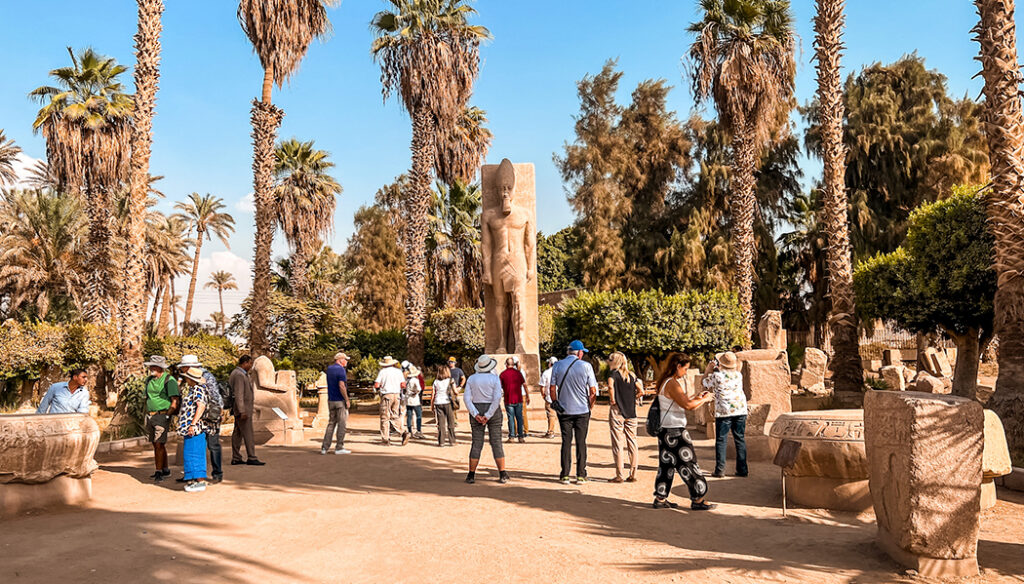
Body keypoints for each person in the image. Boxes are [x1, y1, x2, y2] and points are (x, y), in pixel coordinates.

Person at [652, 353, 716, 511]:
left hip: (665, 430)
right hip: (675, 430)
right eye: (685, 368)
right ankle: (698, 498)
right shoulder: (672, 383)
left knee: (666, 464)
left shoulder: (665, 382)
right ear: (677, 366)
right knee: (689, 463)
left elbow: (681, 402)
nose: (686, 372)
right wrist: (705, 399)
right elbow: (688, 406)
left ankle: (660, 498)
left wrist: (697, 397)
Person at [549, 340, 598, 484]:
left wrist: (555, 401)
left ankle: (565, 474)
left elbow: (552, 388)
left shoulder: (557, 365)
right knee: (581, 442)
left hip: (564, 410)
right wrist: (590, 405)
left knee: (566, 442)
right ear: (579, 353)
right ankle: (581, 474)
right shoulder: (586, 366)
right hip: (582, 410)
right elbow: (593, 390)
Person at [177, 355, 224, 483]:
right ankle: (192, 475)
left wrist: (218, 412)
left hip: (208, 417)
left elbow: (214, 397)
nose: (183, 370)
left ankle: (216, 473)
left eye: (184, 367)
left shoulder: (205, 378)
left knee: (211, 444)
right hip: (199, 418)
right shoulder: (189, 380)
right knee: (197, 448)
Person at [464, 355, 509, 484]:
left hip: (476, 407)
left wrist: (475, 413)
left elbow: (467, 398)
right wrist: (488, 415)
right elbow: (497, 398)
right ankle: (502, 473)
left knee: (476, 442)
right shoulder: (494, 379)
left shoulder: (471, 379)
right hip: (493, 410)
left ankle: (471, 474)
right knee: (496, 441)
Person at [703, 351, 748, 478]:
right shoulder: (738, 375)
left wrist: (708, 369)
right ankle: (742, 469)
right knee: (739, 439)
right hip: (740, 409)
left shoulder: (716, 376)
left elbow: (704, 383)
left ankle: (720, 470)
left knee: (721, 440)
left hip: (724, 411)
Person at [142, 356, 179, 482]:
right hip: (150, 415)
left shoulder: (169, 380)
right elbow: (146, 397)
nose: (151, 368)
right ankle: (165, 469)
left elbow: (175, 400)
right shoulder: (149, 380)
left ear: (160, 367)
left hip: (162, 415)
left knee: (159, 443)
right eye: (150, 366)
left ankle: (158, 472)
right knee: (156, 444)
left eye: (153, 366)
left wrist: (168, 415)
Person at [607, 352, 642, 483]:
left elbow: (611, 386)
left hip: (617, 411)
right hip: (631, 412)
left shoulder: (613, 375)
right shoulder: (632, 375)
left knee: (618, 443)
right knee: (632, 442)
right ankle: (633, 473)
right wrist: (633, 398)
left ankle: (619, 474)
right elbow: (641, 391)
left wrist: (612, 399)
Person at [178, 366, 212, 493]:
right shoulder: (194, 389)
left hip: (195, 428)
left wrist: (192, 424)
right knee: (190, 453)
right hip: (191, 427)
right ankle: (194, 479)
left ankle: (200, 481)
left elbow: (201, 406)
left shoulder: (198, 389)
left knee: (195, 453)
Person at [229, 355, 264, 466]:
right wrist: (242, 410)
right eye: (250, 363)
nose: (250, 366)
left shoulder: (238, 373)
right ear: (245, 363)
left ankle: (236, 457)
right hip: (242, 410)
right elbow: (238, 394)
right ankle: (251, 457)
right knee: (248, 434)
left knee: (237, 433)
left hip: (240, 409)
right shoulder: (239, 375)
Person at [321, 352, 351, 455]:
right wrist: (346, 399)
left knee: (331, 423)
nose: (346, 361)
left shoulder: (329, 369)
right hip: (339, 400)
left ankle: (325, 447)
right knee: (342, 424)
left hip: (331, 400)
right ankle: (339, 447)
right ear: (340, 360)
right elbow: (342, 385)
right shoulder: (341, 370)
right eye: (345, 359)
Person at [374, 356, 407, 446]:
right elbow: (403, 385)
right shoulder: (398, 372)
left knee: (385, 418)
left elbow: (376, 384)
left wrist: (382, 386)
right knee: (394, 415)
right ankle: (403, 431)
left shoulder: (383, 372)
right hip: (396, 395)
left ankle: (385, 439)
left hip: (387, 395)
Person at [500, 357, 528, 443]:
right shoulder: (518, 374)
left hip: (508, 399)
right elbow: (524, 384)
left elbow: (499, 387)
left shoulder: (502, 374)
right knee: (519, 418)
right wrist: (527, 395)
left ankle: (512, 436)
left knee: (511, 418)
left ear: (506, 364)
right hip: (518, 398)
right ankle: (521, 436)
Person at [432, 365, 458, 447]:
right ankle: (452, 440)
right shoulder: (451, 380)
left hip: (438, 402)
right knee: (450, 422)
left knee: (441, 423)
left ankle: (441, 441)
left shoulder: (435, 381)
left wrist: (431, 404)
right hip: (447, 402)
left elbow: (433, 394)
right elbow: (455, 392)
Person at [539, 356, 558, 438]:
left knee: (551, 415)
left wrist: (543, 394)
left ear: (550, 364)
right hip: (561, 396)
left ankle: (550, 432)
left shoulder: (546, 373)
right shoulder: (561, 372)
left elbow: (542, 386)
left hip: (550, 397)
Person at [404, 365, 425, 439]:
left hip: (408, 399)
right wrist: (415, 393)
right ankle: (418, 431)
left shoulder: (407, 380)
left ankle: (410, 431)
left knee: (409, 416)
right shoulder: (415, 380)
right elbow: (419, 389)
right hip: (415, 400)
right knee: (418, 415)